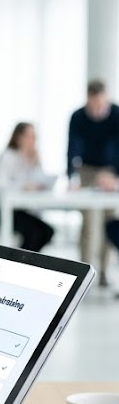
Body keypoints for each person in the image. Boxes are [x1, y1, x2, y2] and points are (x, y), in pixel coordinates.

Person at [67, 79, 119, 285]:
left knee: (109, 222)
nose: (96, 110)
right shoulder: (78, 116)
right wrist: (71, 177)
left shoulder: (116, 115)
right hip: (86, 170)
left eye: (100, 105)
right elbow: (71, 147)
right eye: (93, 105)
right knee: (89, 222)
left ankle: (104, 270)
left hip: (110, 172)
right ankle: (84, 273)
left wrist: (115, 177)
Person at [0, 122, 55, 252]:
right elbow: (2, 185)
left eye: (35, 137)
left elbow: (39, 180)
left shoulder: (32, 158)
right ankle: (18, 261)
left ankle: (25, 260)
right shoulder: (8, 156)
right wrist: (23, 186)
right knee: (34, 234)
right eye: (30, 136)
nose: (33, 140)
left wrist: (35, 162)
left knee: (47, 232)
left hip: (19, 210)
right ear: (19, 137)